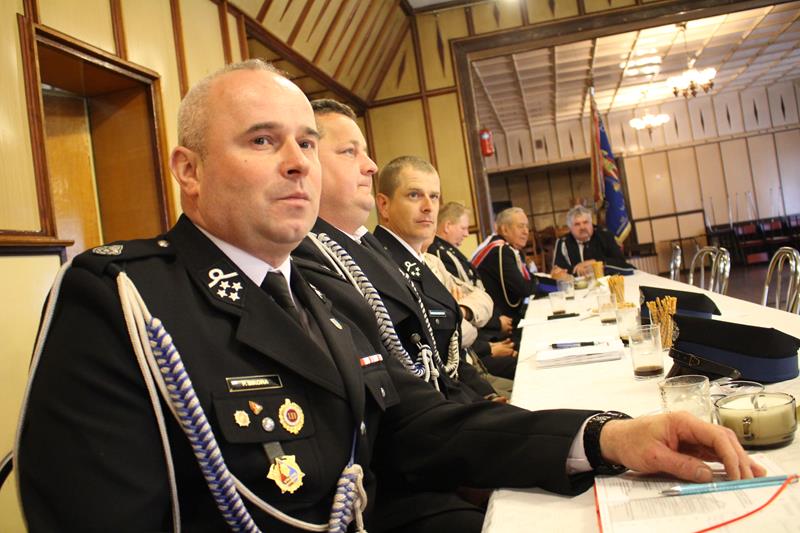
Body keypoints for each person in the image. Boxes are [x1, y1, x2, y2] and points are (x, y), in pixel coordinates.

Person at [16, 61, 764, 533]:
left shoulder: (321, 293)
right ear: (189, 170)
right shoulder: (123, 300)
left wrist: (606, 437)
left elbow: (418, 425)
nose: (298, 164)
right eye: (262, 141)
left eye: (308, 143)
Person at [292, 99, 498, 405]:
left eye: (434, 197)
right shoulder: (307, 257)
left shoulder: (368, 248)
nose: (371, 165)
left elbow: (440, 354)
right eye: (349, 151)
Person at [373, 157, 517, 381]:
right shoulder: (380, 266)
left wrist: (461, 311)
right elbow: (457, 335)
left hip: (465, 371)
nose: (428, 207)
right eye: (414, 195)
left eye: (434, 197)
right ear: (384, 205)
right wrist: (457, 318)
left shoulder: (431, 261)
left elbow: (483, 299)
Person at [472, 207, 535, 328]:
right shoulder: (500, 251)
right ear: (505, 230)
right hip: (499, 321)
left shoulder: (507, 247)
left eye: (527, 226)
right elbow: (523, 289)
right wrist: (556, 284)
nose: (526, 231)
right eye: (521, 226)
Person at [552, 205, 635, 277]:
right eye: (577, 224)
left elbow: (622, 264)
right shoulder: (563, 242)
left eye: (585, 222)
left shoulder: (605, 236)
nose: (582, 227)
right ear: (570, 228)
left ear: (591, 223)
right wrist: (576, 270)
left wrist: (596, 262)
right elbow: (558, 270)